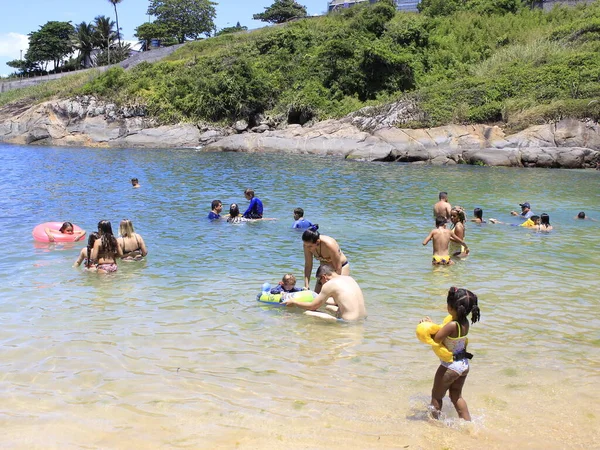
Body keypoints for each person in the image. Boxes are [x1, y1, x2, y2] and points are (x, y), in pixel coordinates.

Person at [420, 286, 481, 421]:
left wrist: (427, 325)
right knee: (456, 396)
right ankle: (467, 423)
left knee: (437, 396)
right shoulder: (464, 323)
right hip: (463, 365)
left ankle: (434, 425)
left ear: (450, 307)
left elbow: (437, 338)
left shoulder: (452, 325)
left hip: (450, 366)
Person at [283, 264, 366, 322]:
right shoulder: (349, 278)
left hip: (348, 322)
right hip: (362, 318)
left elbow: (312, 306)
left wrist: (294, 302)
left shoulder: (330, 284)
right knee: (328, 307)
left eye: (319, 282)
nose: (321, 284)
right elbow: (339, 301)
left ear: (324, 277)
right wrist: (315, 296)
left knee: (307, 312)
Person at [302, 225, 350, 293]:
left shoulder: (329, 245)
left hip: (340, 268)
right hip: (324, 271)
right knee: (317, 296)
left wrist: (333, 284)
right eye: (305, 245)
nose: (307, 248)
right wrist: (306, 285)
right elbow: (308, 265)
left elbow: (338, 267)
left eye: (310, 246)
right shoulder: (306, 245)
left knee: (337, 294)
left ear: (317, 242)